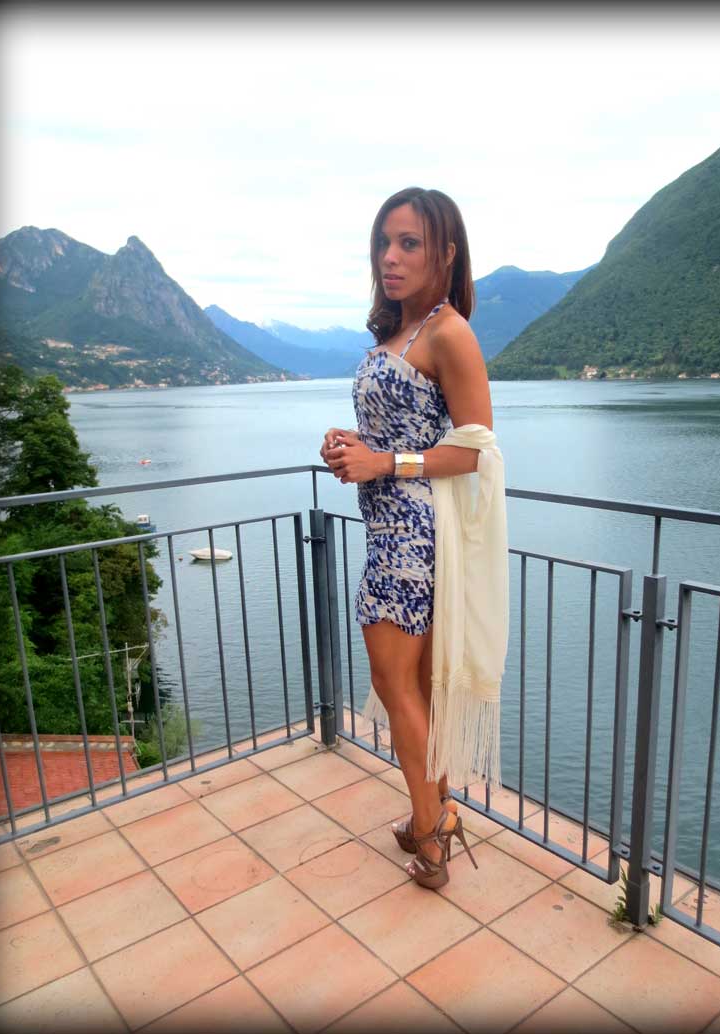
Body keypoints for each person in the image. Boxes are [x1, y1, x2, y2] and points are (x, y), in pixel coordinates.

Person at [320, 187, 506, 890]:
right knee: (412, 689)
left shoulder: (449, 332)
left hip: (414, 538)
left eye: (409, 244)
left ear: (445, 254)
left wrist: (383, 463)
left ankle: (431, 838)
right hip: (388, 529)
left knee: (394, 684)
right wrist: (352, 447)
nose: (390, 258)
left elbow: (475, 451)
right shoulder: (399, 332)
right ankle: (438, 810)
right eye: (383, 243)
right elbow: (404, 433)